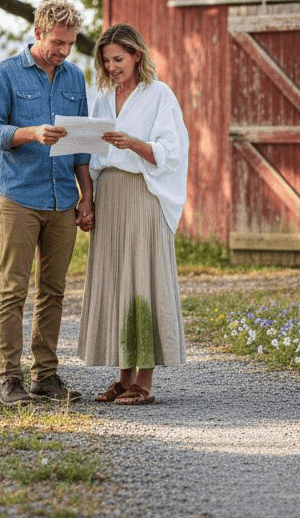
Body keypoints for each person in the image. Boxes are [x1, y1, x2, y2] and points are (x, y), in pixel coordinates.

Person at [0, 0, 93, 406]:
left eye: (70, 43)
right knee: (13, 289)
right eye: (58, 42)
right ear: (38, 33)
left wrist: (86, 196)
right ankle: (9, 380)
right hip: (19, 197)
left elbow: (81, 144)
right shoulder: (6, 74)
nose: (63, 51)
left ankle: (45, 377)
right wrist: (30, 133)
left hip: (63, 198)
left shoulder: (75, 79)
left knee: (54, 290)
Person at [78, 23, 189, 406]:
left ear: (137, 56)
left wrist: (133, 143)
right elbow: (90, 156)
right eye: (106, 60)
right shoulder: (103, 98)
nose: (112, 67)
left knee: (141, 282)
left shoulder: (159, 95)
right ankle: (123, 378)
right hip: (108, 195)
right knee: (116, 283)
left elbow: (170, 152)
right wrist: (87, 200)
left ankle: (144, 380)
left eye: (118, 59)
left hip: (142, 195)